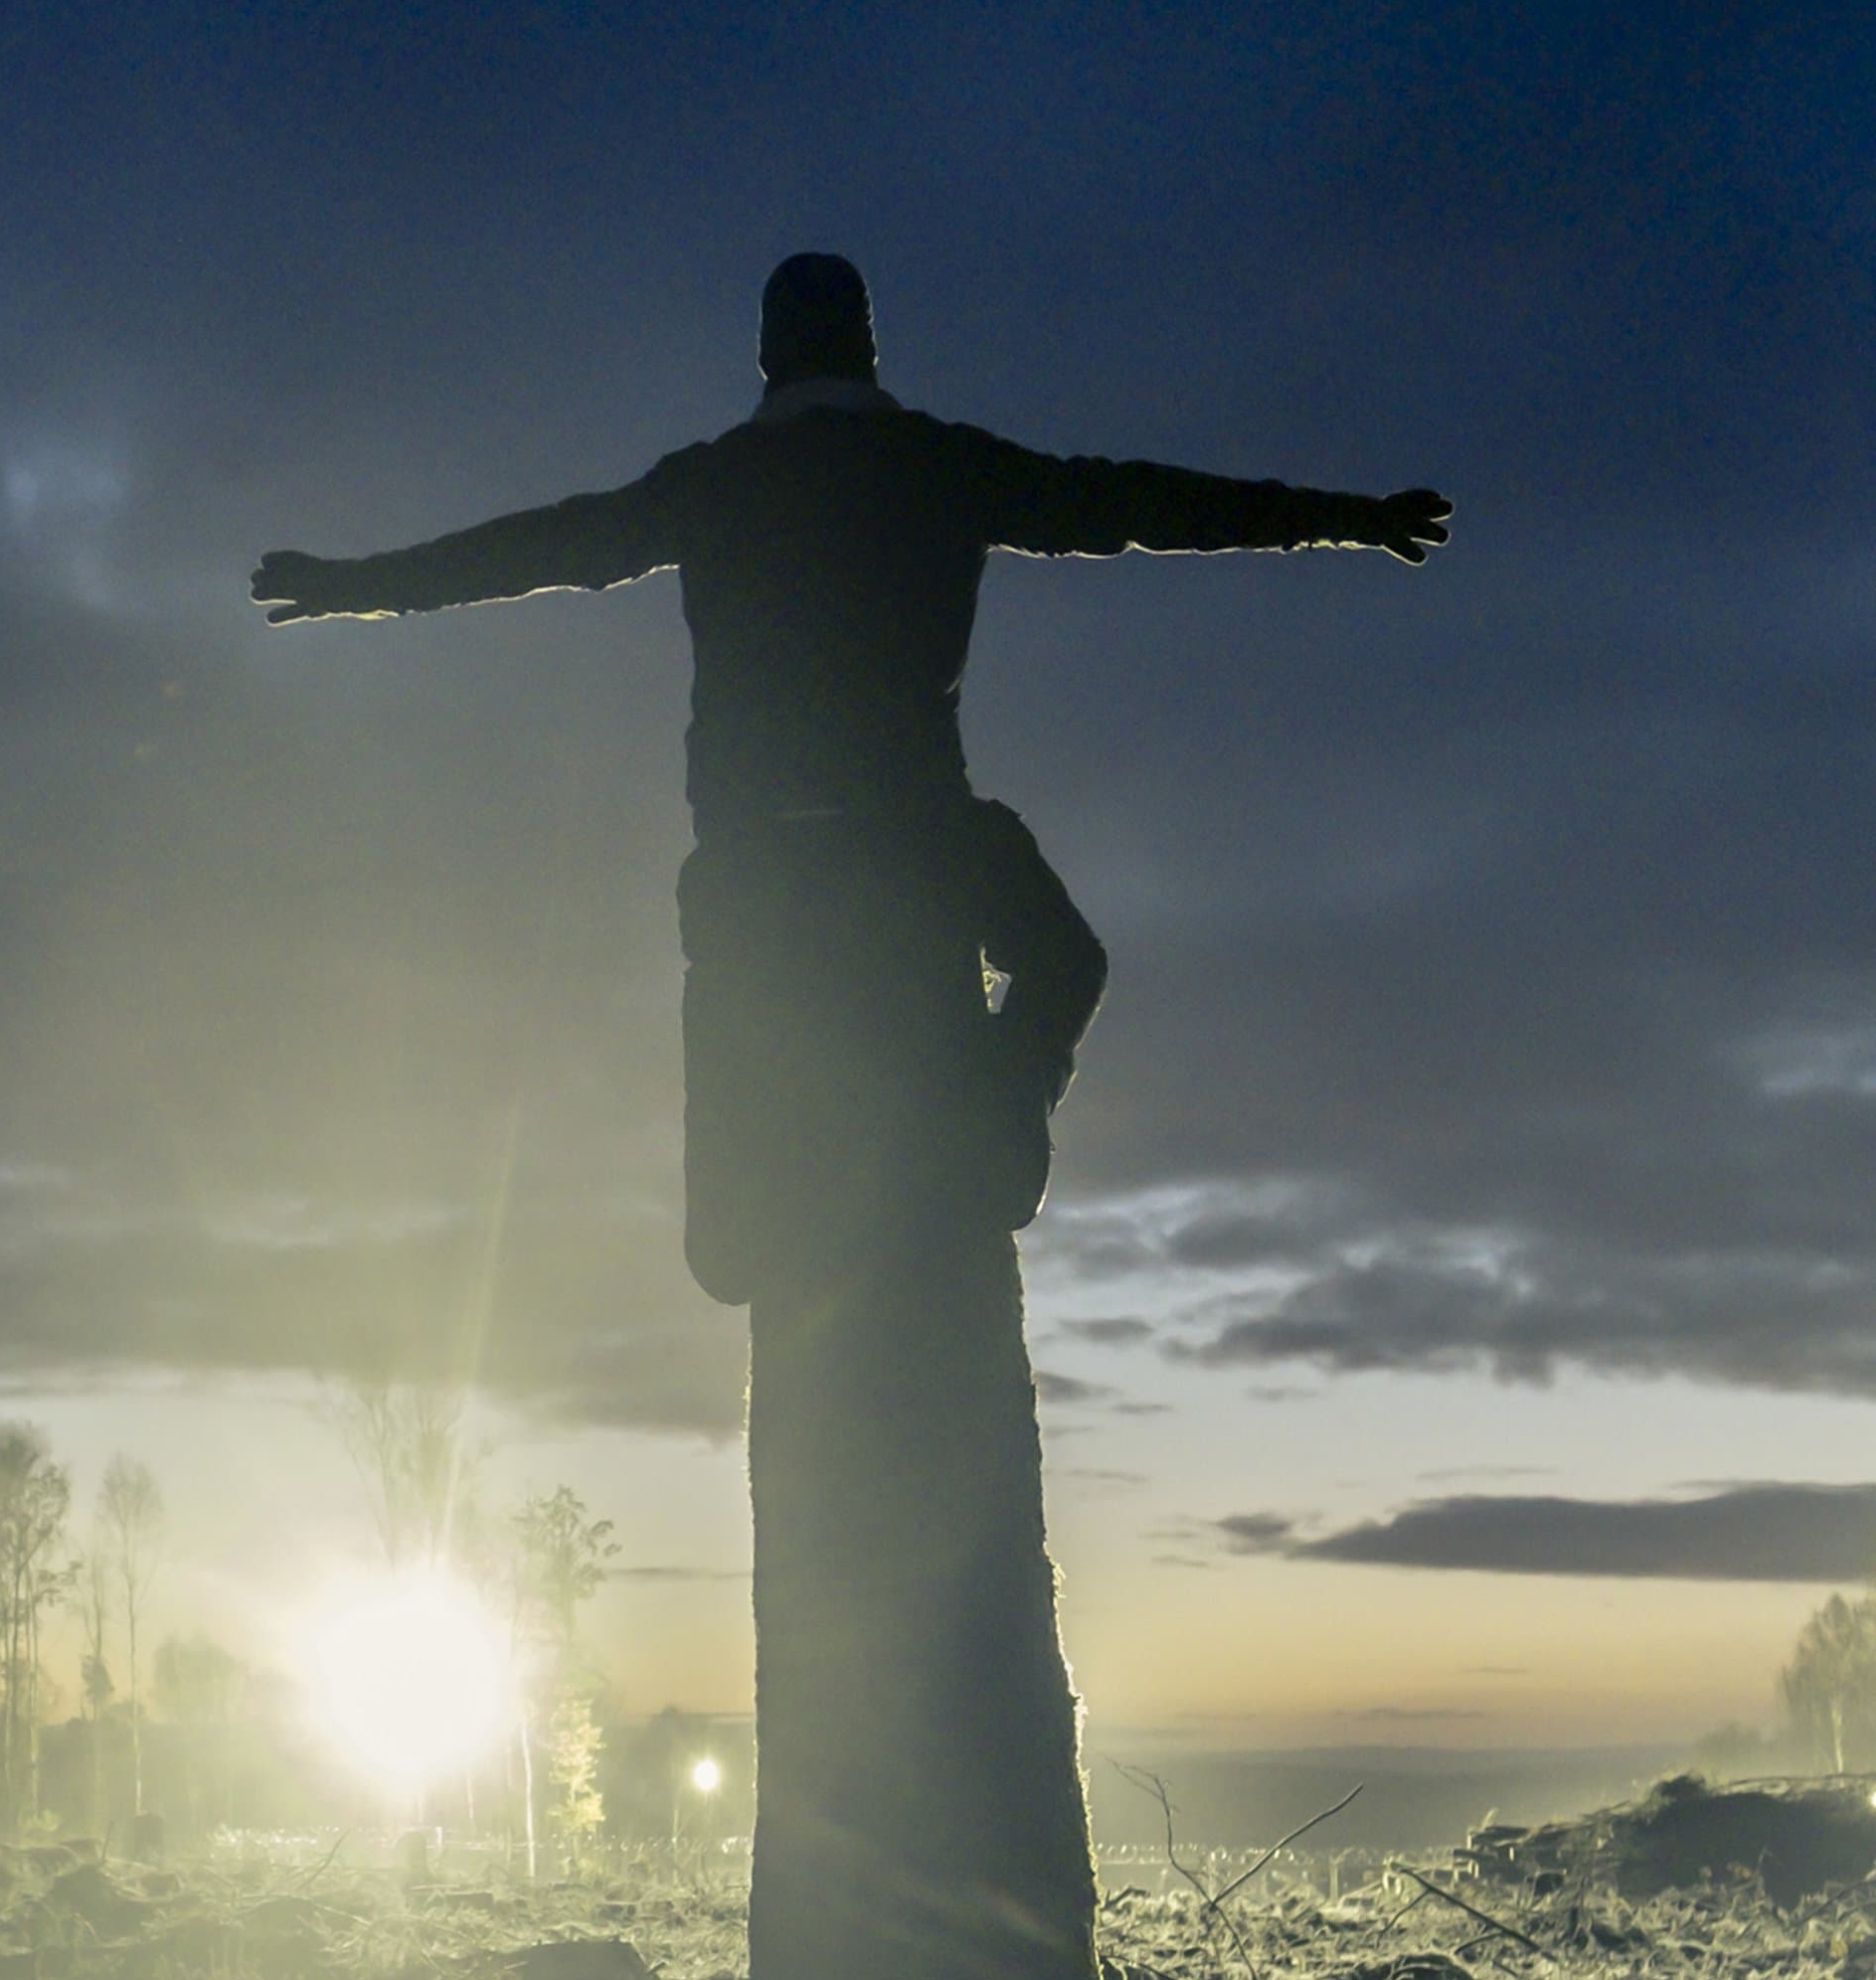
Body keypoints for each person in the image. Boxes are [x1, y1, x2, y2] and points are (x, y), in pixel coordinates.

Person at [252, 253, 1450, 1301]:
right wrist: (1343, 518)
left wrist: (356, 584)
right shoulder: (938, 465)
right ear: (869, 348)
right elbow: (1137, 503)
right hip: (915, 842)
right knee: (1065, 957)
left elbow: (533, 548)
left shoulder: (713, 481)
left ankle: (783, 1196)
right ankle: (985, 1133)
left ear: (764, 359)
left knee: (729, 1245)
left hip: (753, 871)